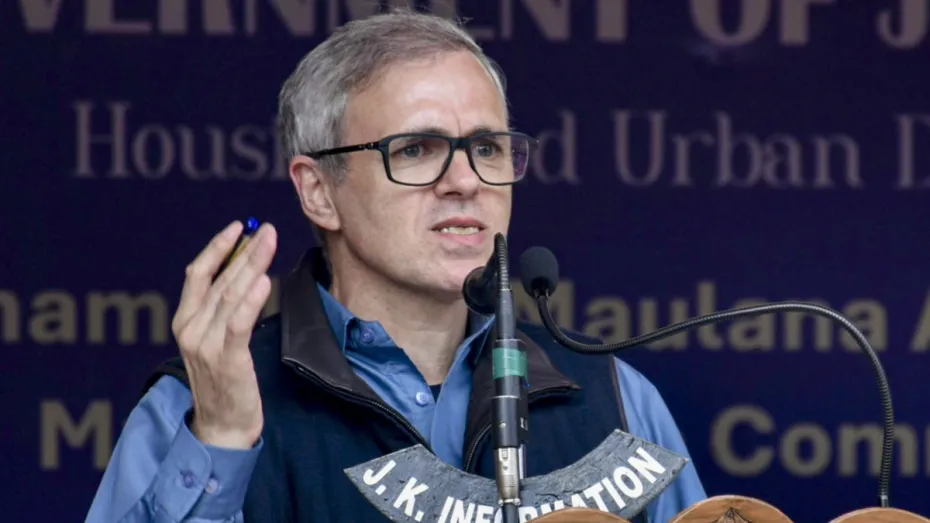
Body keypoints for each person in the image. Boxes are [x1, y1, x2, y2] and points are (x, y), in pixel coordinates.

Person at [85, 8, 706, 523]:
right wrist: (223, 439)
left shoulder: (618, 400)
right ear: (319, 191)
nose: (466, 180)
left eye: (486, 147)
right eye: (415, 150)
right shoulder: (198, 405)